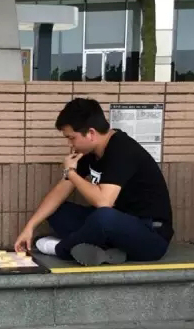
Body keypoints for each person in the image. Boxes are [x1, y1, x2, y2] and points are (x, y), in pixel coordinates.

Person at [14, 98, 173, 266]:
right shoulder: (90, 152)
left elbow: (104, 201)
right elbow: (61, 190)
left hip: (151, 235)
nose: (70, 144)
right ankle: (110, 251)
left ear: (90, 133)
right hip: (118, 227)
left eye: (72, 138)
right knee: (57, 211)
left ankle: (62, 249)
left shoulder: (122, 150)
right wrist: (30, 227)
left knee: (103, 217)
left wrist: (71, 172)